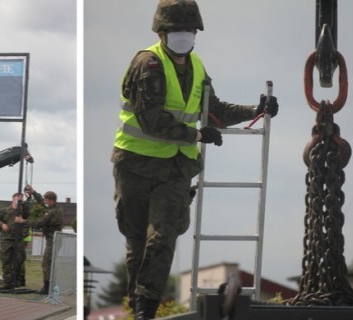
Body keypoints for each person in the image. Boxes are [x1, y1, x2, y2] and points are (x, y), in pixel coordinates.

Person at [112, 1, 279, 319]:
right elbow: (151, 119)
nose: (184, 36)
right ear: (162, 32)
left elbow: (212, 111)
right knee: (136, 241)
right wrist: (197, 136)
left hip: (175, 167)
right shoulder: (147, 63)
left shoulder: (197, 67)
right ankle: (138, 306)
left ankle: (146, 309)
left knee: (162, 237)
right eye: (177, 30)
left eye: (190, 30)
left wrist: (254, 110)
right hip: (134, 164)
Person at [21, 185, 63, 295]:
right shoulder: (54, 207)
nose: (44, 201)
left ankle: (47, 287)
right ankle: (50, 286)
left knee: (46, 264)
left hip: (53, 241)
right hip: (53, 240)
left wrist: (23, 221)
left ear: (51, 200)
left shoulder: (52, 212)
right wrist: (33, 192)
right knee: (50, 264)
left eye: (46, 200)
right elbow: (41, 201)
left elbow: (39, 223)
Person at [0, 192, 27, 292]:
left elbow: (27, 219)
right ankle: (7, 282)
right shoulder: (5, 210)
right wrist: (2, 224)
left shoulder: (23, 211)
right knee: (6, 260)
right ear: (13, 199)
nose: (19, 200)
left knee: (20, 259)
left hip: (18, 239)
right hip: (7, 239)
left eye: (21, 199)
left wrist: (24, 233)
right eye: (17, 198)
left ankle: (17, 279)